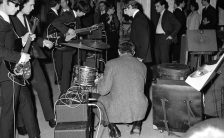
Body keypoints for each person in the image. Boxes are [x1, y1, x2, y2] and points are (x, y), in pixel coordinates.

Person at [9, 0, 56, 129]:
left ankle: (50, 116)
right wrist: (21, 41)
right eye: (30, 5)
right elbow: (9, 44)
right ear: (21, 5)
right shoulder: (9, 20)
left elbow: (33, 37)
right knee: (20, 94)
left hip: (32, 58)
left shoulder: (27, 18)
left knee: (44, 87)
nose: (33, 8)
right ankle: (20, 123)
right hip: (16, 62)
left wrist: (43, 42)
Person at [0, 0, 40, 138]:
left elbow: (8, 44)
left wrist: (22, 40)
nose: (18, 8)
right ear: (4, 1)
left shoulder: (6, 17)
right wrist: (20, 57)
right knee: (8, 114)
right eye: (16, 5)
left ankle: (35, 135)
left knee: (27, 102)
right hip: (6, 73)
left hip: (13, 69)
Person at [95, 41, 148, 137]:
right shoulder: (143, 66)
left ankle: (113, 129)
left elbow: (103, 91)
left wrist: (99, 81)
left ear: (119, 52)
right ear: (133, 52)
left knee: (100, 101)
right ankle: (137, 125)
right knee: (137, 95)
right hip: (139, 107)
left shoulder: (111, 63)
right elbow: (141, 85)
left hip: (118, 107)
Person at [51, 0, 90, 97]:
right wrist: (67, 30)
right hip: (63, 44)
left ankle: (64, 91)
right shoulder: (68, 14)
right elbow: (55, 22)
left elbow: (77, 30)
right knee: (64, 69)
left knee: (68, 69)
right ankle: (63, 90)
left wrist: (87, 31)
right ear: (78, 10)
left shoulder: (77, 18)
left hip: (71, 45)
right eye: (83, 12)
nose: (84, 14)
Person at [123, 0, 152, 100]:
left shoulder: (139, 19)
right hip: (139, 54)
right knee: (139, 81)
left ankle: (140, 102)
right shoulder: (138, 17)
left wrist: (141, 57)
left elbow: (145, 39)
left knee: (140, 82)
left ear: (131, 7)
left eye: (125, 9)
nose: (124, 12)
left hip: (141, 55)